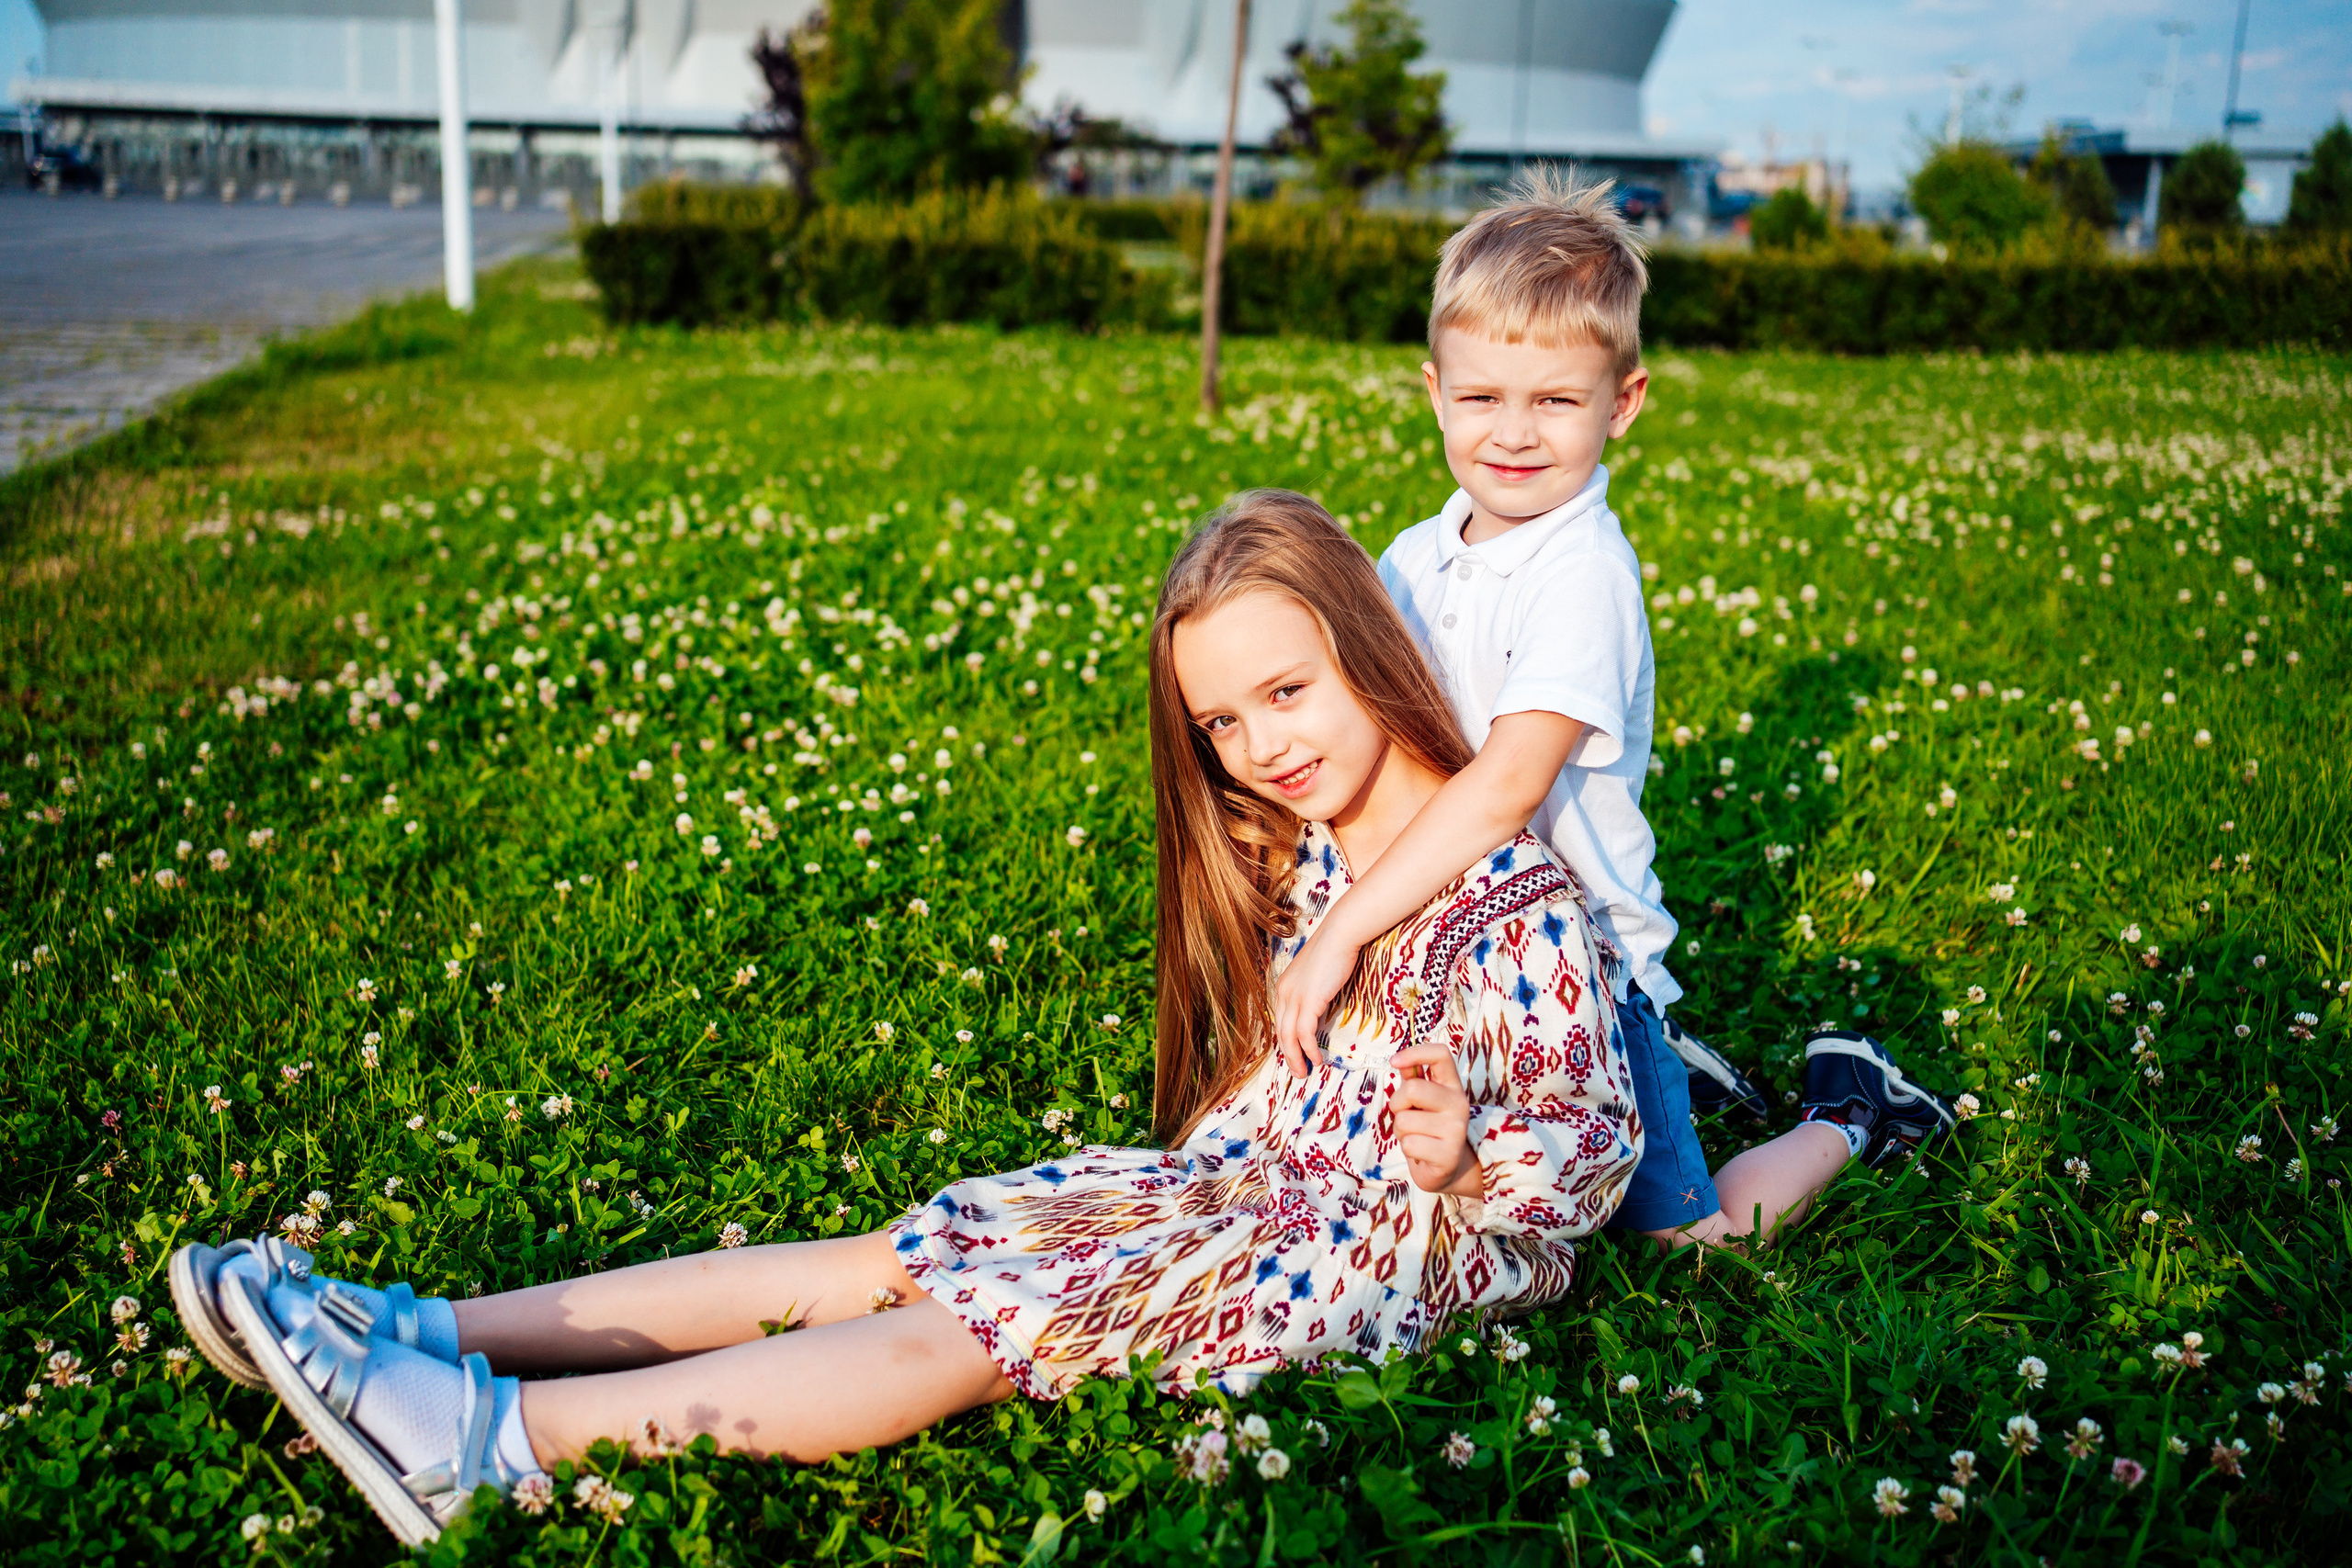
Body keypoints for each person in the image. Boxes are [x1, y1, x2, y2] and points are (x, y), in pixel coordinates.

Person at [171, 492, 1645, 1545]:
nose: (1263, 747)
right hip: (1243, 1197)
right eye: (1223, 724)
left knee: (969, 1328)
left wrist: (1463, 1157)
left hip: (1384, 1259)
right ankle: (424, 1327)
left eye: (1287, 691)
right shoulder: (1312, 854)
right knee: (918, 1244)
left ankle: (491, 1445)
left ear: (1370, 649)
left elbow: (1592, 1159)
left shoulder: (1512, 905)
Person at [1268, 168, 1953, 1252]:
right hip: (1451, 959)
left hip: (1586, 973)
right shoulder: (1409, 558)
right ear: (1435, 392)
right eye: (1483, 397)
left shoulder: (1581, 574)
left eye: (1555, 400)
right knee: (1434, 1203)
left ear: (1622, 403)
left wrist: (1344, 930)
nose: (1514, 433)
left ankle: (1850, 1109)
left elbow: (1505, 785)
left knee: (1685, 1252)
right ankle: (1677, 1088)